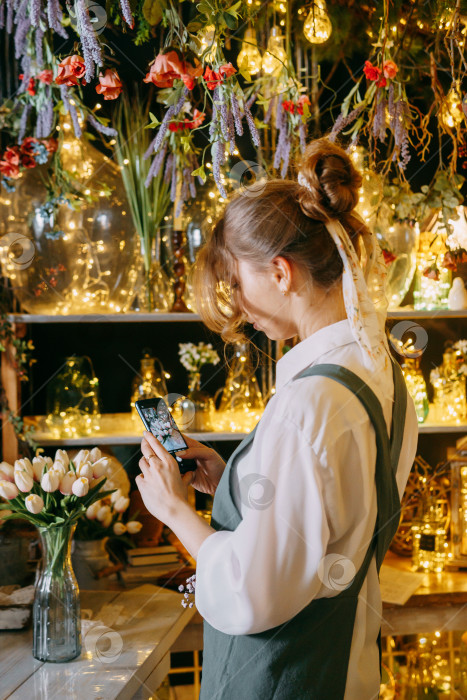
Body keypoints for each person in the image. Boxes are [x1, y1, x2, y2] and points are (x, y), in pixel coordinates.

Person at [136, 137, 418, 699]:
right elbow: (333, 521)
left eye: (237, 283)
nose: (237, 305)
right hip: (344, 666)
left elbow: (255, 592)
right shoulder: (379, 373)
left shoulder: (306, 405)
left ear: (281, 273)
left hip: (282, 680)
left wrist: (176, 515)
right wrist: (232, 480)